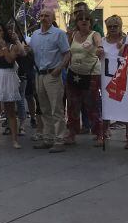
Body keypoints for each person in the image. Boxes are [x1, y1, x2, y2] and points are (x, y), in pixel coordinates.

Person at [28, 9, 71, 153]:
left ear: (52, 17)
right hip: (39, 75)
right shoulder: (34, 35)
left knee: (56, 109)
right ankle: (48, 138)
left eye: (47, 15)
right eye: (41, 15)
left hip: (53, 75)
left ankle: (60, 140)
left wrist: (59, 69)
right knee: (44, 109)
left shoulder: (58, 34)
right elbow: (30, 51)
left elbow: (67, 54)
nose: (43, 18)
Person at [66, 11, 105, 147]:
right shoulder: (72, 35)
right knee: (72, 105)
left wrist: (99, 48)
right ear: (77, 22)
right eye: (81, 19)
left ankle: (99, 134)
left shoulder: (94, 34)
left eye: (87, 19)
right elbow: (67, 53)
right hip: (73, 74)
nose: (84, 21)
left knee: (92, 105)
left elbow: (99, 43)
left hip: (91, 75)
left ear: (90, 22)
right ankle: (72, 133)